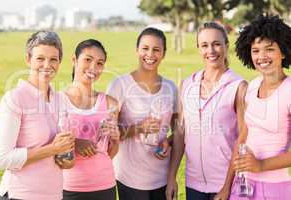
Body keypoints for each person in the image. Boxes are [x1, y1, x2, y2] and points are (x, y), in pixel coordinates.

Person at [166, 22, 247, 200]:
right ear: (199, 48)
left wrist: (227, 187)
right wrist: (172, 177)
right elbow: (180, 135)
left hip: (227, 184)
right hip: (193, 183)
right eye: (204, 45)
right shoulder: (187, 85)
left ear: (226, 45)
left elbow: (243, 142)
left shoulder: (238, 87)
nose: (211, 50)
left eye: (217, 44)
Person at [0, 31, 75, 200]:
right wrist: (52, 149)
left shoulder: (60, 99)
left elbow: (65, 156)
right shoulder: (15, 99)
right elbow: (2, 160)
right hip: (20, 195)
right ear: (28, 59)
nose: (47, 64)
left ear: (59, 62)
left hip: (54, 195)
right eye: (40, 58)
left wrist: (66, 157)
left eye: (53, 59)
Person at [222, 14, 291, 200]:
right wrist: (226, 187)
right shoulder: (252, 86)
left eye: (269, 49)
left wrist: (260, 165)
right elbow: (242, 139)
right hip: (243, 185)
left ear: (283, 52)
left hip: (275, 188)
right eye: (255, 50)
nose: (261, 57)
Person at [107, 27, 178, 200]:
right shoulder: (120, 85)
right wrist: (138, 128)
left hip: (161, 178)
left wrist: (168, 142)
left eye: (156, 49)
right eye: (145, 48)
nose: (150, 54)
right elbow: (108, 134)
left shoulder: (171, 88)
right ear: (137, 50)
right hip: (129, 177)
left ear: (163, 53)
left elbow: (179, 132)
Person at [55, 39, 120, 200]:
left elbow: (110, 153)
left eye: (99, 63)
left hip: (105, 186)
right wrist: (75, 143)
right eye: (88, 60)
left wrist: (116, 139)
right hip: (67, 187)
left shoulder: (110, 103)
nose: (93, 68)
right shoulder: (56, 101)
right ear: (74, 60)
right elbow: (49, 147)